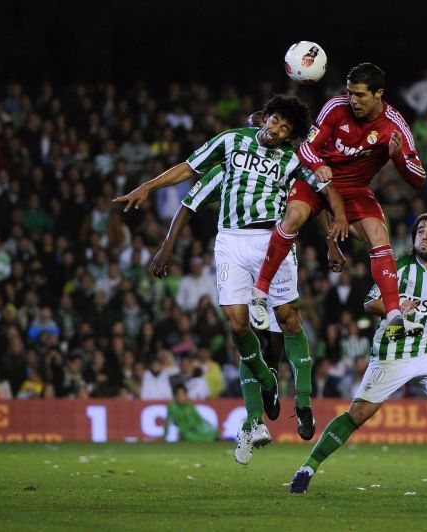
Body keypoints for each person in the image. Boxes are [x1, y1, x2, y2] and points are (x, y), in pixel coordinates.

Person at [117, 96, 347, 465]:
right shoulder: (230, 142)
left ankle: (302, 403)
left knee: (289, 319)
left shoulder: (293, 160)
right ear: (265, 118)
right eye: (274, 121)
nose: (276, 129)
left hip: (273, 241)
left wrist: (332, 240)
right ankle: (267, 387)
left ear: (291, 136)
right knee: (237, 325)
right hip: (230, 243)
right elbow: (188, 172)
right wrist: (148, 187)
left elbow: (314, 197)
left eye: (286, 128)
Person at [289, 213, 427, 496]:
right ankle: (307, 468)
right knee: (356, 415)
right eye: (420, 231)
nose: (424, 235)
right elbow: (370, 303)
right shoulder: (398, 268)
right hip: (391, 354)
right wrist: (397, 305)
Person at [250, 63, 427, 342]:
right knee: (293, 217)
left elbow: (418, 180)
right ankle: (259, 293)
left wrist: (397, 157)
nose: (352, 100)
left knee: (380, 235)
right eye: (350, 93)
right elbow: (307, 146)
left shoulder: (394, 125)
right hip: (318, 179)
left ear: (378, 93)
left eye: (359, 95)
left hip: (355, 189)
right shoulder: (335, 107)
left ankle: (393, 316)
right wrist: (318, 165)